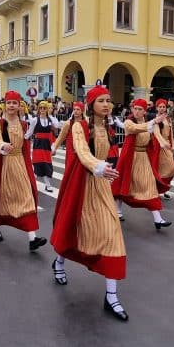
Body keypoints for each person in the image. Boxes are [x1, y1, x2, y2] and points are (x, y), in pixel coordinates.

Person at [50, 85, 129, 320]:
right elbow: (82, 152)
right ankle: (59, 261)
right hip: (83, 184)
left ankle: (111, 297)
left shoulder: (109, 127)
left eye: (109, 100)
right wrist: (98, 166)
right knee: (77, 229)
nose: (107, 104)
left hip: (102, 186)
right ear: (91, 104)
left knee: (113, 234)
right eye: (101, 100)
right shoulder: (78, 126)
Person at [0, 90, 47, 250]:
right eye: (9, 103)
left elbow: (26, 144)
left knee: (27, 197)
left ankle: (32, 238)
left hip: (20, 163)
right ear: (5, 105)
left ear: (20, 106)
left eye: (15, 103)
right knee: (2, 197)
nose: (11, 106)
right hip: (5, 164)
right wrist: (2, 146)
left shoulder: (23, 123)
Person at [111, 98, 172, 229]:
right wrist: (153, 122)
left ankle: (158, 219)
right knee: (124, 185)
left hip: (144, 158)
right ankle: (118, 210)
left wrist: (163, 143)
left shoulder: (148, 122)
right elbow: (134, 128)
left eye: (140, 109)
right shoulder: (128, 122)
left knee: (150, 186)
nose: (137, 111)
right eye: (135, 108)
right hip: (130, 158)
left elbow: (156, 134)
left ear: (145, 111)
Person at [30, 101, 59, 192]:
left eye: (44, 108)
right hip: (38, 144)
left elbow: (59, 126)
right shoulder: (35, 120)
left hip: (47, 145)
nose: (42, 110)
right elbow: (29, 132)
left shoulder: (51, 120)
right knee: (37, 163)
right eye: (40, 108)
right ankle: (31, 183)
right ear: (38, 109)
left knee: (47, 164)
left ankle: (48, 185)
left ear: (47, 109)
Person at [153, 98, 174, 198]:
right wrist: (162, 143)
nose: (162, 108)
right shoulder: (155, 119)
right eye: (160, 107)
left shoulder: (168, 119)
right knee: (160, 169)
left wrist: (173, 146)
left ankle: (163, 188)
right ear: (157, 108)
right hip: (159, 146)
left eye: (163, 107)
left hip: (167, 145)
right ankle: (158, 188)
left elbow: (171, 134)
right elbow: (156, 134)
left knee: (171, 168)